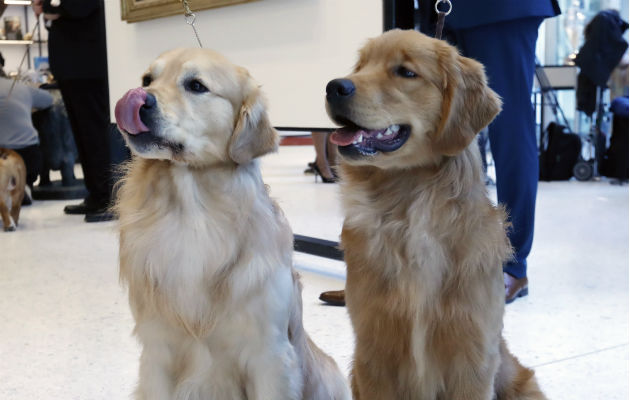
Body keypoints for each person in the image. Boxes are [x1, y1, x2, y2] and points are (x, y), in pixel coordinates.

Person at [319, 0, 561, 306]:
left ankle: (509, 266)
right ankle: (382, 271)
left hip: (501, 7)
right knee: (419, 133)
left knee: (510, 131)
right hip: (439, 5)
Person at [32, 0, 114, 222]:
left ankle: (108, 197)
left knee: (94, 133)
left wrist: (49, 8)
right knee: (82, 134)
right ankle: (96, 194)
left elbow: (79, 7)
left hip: (86, 64)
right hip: (70, 66)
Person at [0, 52, 53, 198]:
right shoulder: (20, 87)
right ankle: (22, 187)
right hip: (28, 156)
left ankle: (8, 190)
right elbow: (48, 100)